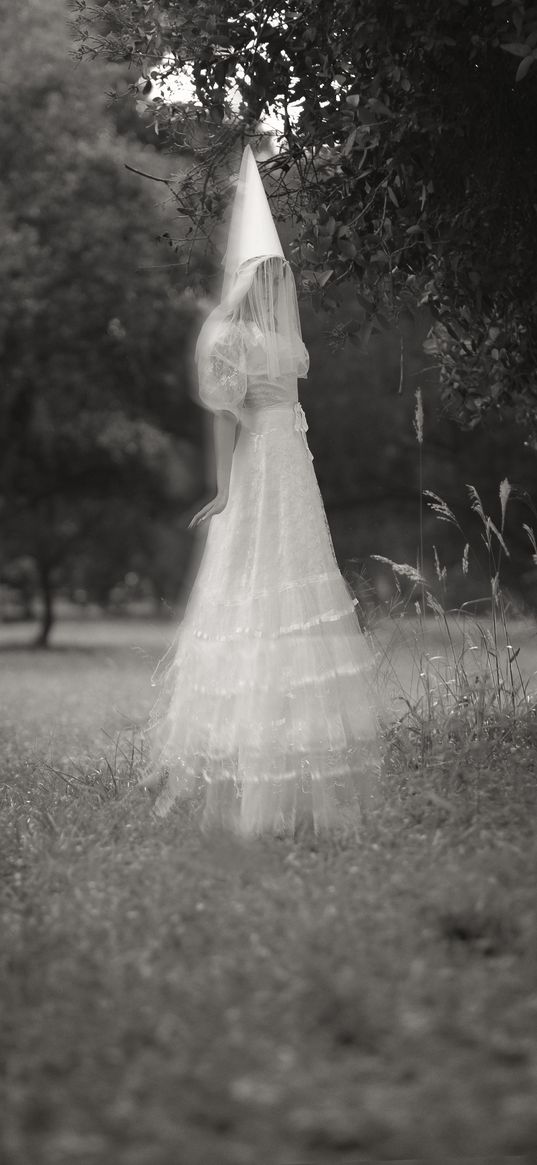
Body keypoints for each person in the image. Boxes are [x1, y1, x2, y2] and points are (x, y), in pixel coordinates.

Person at [139, 144, 381, 839]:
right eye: (270, 274)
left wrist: (224, 486)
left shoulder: (237, 337)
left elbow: (226, 417)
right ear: (262, 278)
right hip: (283, 458)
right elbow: (250, 413)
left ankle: (274, 751)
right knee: (273, 570)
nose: (276, 285)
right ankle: (268, 749)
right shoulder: (268, 341)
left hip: (275, 459)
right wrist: (224, 490)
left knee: (273, 569)